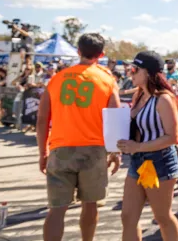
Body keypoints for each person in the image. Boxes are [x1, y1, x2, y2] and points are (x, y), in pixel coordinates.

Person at [35, 33, 121, 241]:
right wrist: (115, 152)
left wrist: (42, 152)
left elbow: (41, 119)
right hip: (94, 150)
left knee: (56, 209)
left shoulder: (57, 78)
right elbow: (115, 118)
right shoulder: (107, 79)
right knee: (90, 204)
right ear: (101, 54)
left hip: (60, 148)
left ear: (78, 50)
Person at [118, 51, 178, 241]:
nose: (131, 73)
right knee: (128, 217)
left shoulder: (163, 99)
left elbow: (172, 137)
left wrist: (137, 147)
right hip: (138, 162)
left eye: (135, 69)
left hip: (159, 162)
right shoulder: (139, 95)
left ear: (148, 73)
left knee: (162, 217)